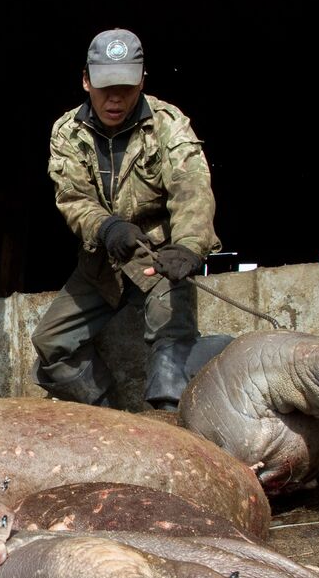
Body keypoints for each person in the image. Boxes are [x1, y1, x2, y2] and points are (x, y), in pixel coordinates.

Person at [31, 28, 220, 410]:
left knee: (173, 345)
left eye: (126, 87)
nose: (114, 98)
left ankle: (172, 425)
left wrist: (187, 245)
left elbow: (192, 190)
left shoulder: (169, 124)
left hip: (158, 259)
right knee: (51, 347)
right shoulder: (67, 132)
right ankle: (107, 413)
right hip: (102, 260)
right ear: (86, 80)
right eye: (104, 87)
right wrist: (106, 227)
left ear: (142, 82)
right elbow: (72, 198)